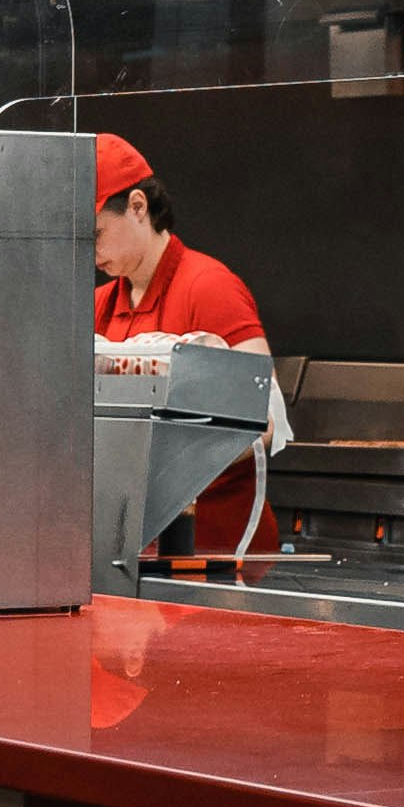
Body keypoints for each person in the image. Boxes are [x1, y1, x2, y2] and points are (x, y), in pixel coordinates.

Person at [89, 130, 277, 561]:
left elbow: (265, 422)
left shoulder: (209, 288)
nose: (90, 250)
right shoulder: (100, 305)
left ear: (138, 206)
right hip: (130, 546)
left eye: (97, 232)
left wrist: (161, 462)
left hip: (218, 552)